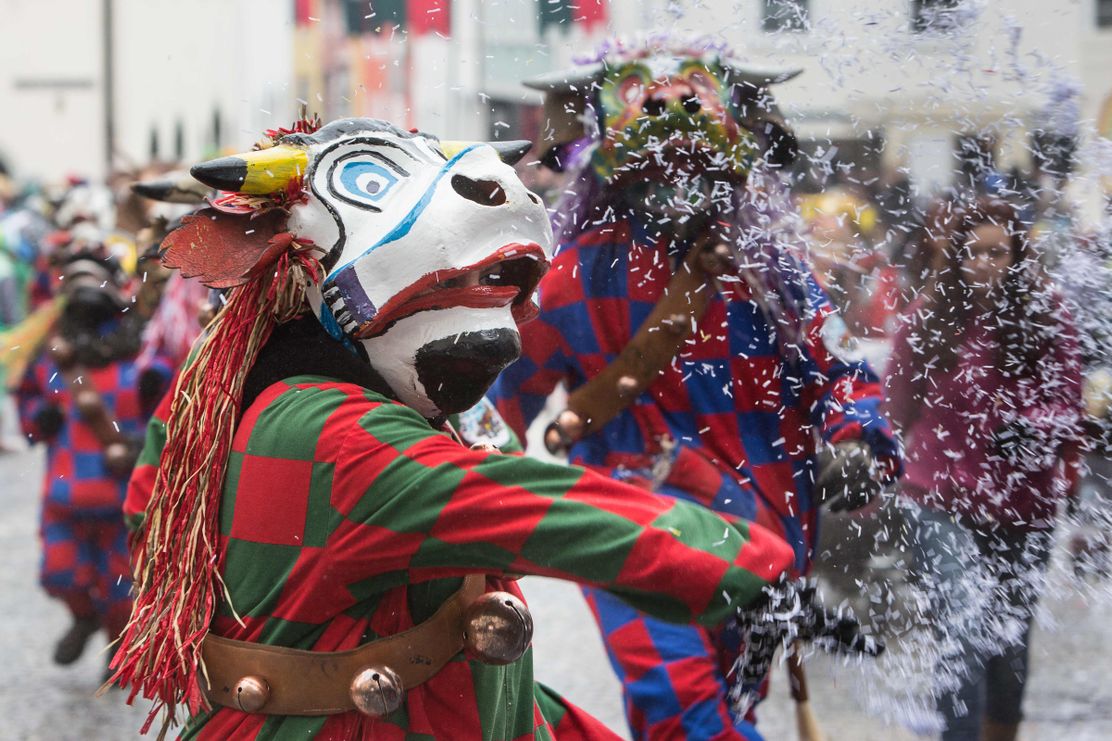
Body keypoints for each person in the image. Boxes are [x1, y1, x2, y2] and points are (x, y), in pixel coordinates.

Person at [111, 116, 872, 740]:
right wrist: (750, 571)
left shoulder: (239, 384)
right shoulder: (339, 432)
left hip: (459, 697)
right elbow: (527, 500)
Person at [490, 39, 900, 740]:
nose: (678, 178)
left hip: (761, 529)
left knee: (724, 704)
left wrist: (857, 441)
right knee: (680, 711)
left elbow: (843, 375)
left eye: (695, 160)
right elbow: (494, 403)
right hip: (633, 524)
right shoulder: (576, 273)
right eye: (656, 160)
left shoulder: (774, 271)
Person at [885, 196, 1083, 741]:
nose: (986, 263)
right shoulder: (930, 316)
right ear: (957, 255)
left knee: (1009, 641)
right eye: (974, 252)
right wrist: (877, 466)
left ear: (1018, 254)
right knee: (962, 623)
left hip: (1024, 507)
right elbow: (895, 405)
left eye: (999, 252)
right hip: (939, 500)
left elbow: (1068, 404)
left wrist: (1031, 428)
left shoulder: (1047, 314)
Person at [16, 251, 171, 671]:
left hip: (123, 500)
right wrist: (37, 420)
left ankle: (118, 647)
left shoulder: (143, 355)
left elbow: (172, 417)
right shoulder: (51, 356)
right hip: (64, 496)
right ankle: (83, 618)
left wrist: (143, 443)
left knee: (122, 589)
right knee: (59, 573)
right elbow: (28, 401)